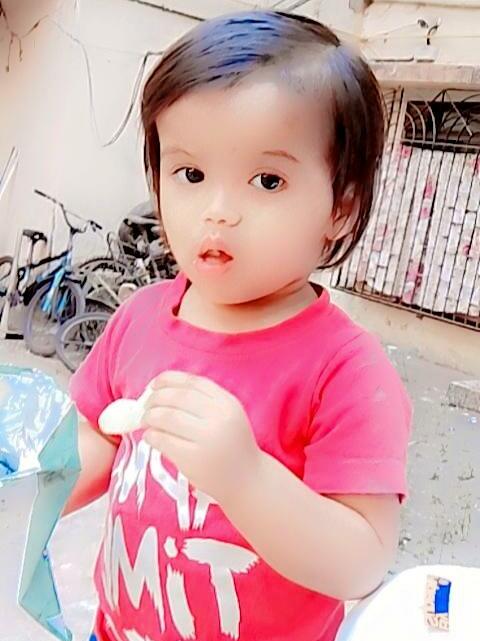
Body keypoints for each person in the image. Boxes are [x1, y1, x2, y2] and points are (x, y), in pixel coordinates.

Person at [65, 10, 412, 641]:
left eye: (267, 180)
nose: (218, 212)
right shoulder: (140, 317)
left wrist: (245, 477)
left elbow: (362, 560)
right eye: (191, 175)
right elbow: (99, 443)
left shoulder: (346, 369)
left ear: (341, 206)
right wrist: (32, 483)